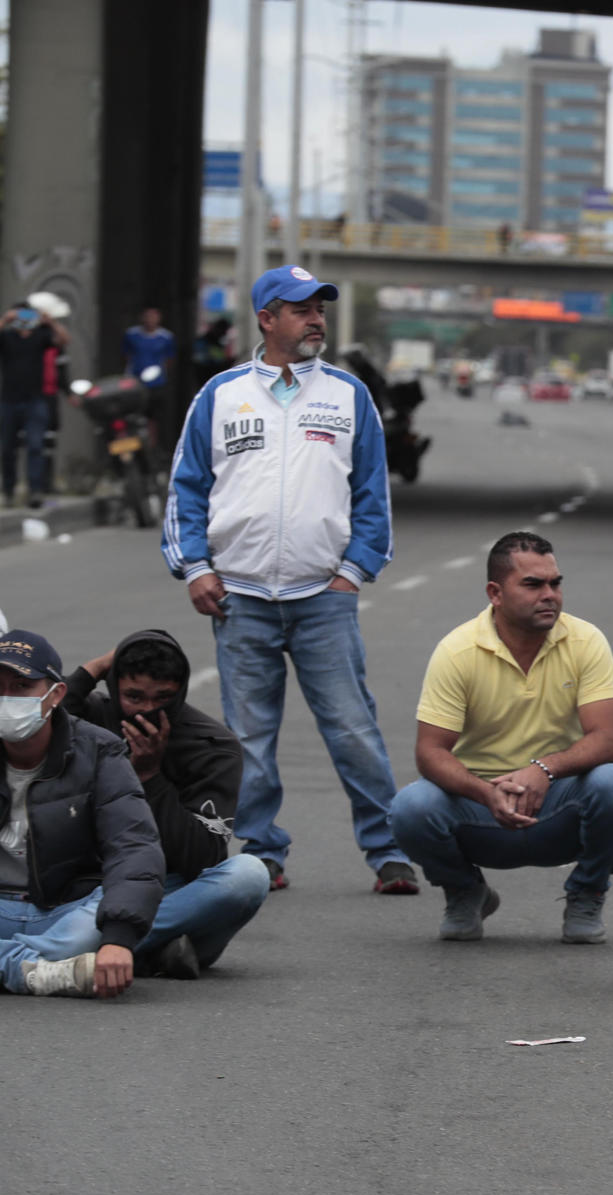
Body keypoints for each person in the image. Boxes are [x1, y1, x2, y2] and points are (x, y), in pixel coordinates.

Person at [163, 264, 412, 896]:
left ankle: (389, 851)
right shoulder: (220, 394)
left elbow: (372, 493)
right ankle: (263, 852)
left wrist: (354, 571)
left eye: (320, 309)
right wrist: (194, 566)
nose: (316, 319)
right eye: (301, 309)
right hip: (238, 596)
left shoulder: (347, 395)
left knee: (353, 730)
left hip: (322, 597)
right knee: (247, 738)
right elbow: (187, 488)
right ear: (267, 318)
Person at [390, 533, 613, 943]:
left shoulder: (587, 641)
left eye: (555, 583)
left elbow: (607, 740)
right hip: (480, 811)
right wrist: (485, 793)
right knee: (410, 807)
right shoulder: (457, 651)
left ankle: (587, 891)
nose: (550, 595)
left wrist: (544, 769)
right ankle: (465, 891)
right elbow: (430, 753)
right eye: (533, 585)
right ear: (495, 593)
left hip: (557, 805)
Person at [64, 631, 268, 979]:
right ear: (113, 687)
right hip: (86, 883)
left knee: (248, 876)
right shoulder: (91, 717)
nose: (147, 710)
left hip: (165, 883)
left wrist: (150, 777)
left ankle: (99, 950)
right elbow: (37, 721)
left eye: (162, 698)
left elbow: (201, 857)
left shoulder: (213, 745)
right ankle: (151, 952)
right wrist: (93, 668)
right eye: (134, 697)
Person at [0, 629, 164, 998]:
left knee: (98, 921)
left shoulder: (99, 751)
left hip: (66, 908)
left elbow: (135, 847)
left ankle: (27, 966)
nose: (6, 698)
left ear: (55, 695)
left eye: (21, 686)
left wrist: (118, 938)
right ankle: (36, 971)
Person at [0, 300, 70, 510]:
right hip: (9, 401)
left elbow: (64, 340)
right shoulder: (7, 337)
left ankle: (35, 491)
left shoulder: (41, 336)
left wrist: (49, 322)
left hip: (35, 401)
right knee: (7, 449)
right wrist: (6, 319)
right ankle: (9, 491)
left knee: (36, 446)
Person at [123, 307, 177, 387]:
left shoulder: (166, 337)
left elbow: (169, 358)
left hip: (156, 378)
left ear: (159, 319)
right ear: (142, 318)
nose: (150, 320)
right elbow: (126, 354)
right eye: (147, 317)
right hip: (134, 376)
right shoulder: (131, 334)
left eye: (153, 317)